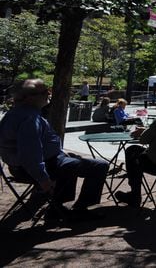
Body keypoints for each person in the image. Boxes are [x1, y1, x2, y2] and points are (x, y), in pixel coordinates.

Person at [0, 79, 108, 221]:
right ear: (29, 97)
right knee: (99, 165)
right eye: (44, 91)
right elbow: (30, 155)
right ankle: (77, 207)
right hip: (31, 169)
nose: (48, 93)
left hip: (24, 166)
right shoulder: (30, 119)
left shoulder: (16, 114)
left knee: (72, 160)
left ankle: (58, 206)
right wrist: (43, 179)